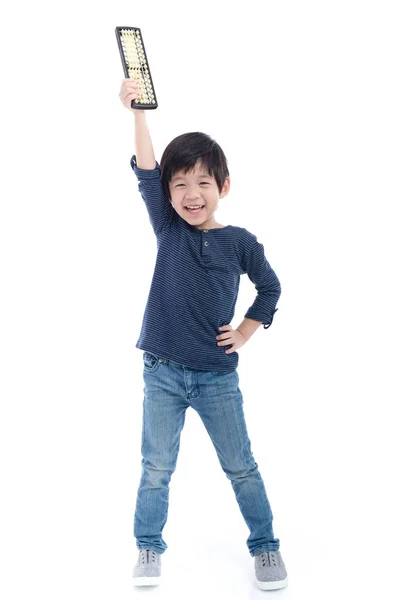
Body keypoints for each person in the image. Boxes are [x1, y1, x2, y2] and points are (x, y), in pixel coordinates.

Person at [119, 77, 288, 591]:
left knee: (241, 467)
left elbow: (270, 288)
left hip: (217, 378)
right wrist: (138, 113)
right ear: (169, 194)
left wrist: (244, 332)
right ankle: (148, 548)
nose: (191, 195)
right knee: (156, 468)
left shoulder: (240, 242)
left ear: (224, 186)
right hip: (162, 375)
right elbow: (147, 169)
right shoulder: (168, 230)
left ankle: (266, 547)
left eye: (202, 184)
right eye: (180, 185)